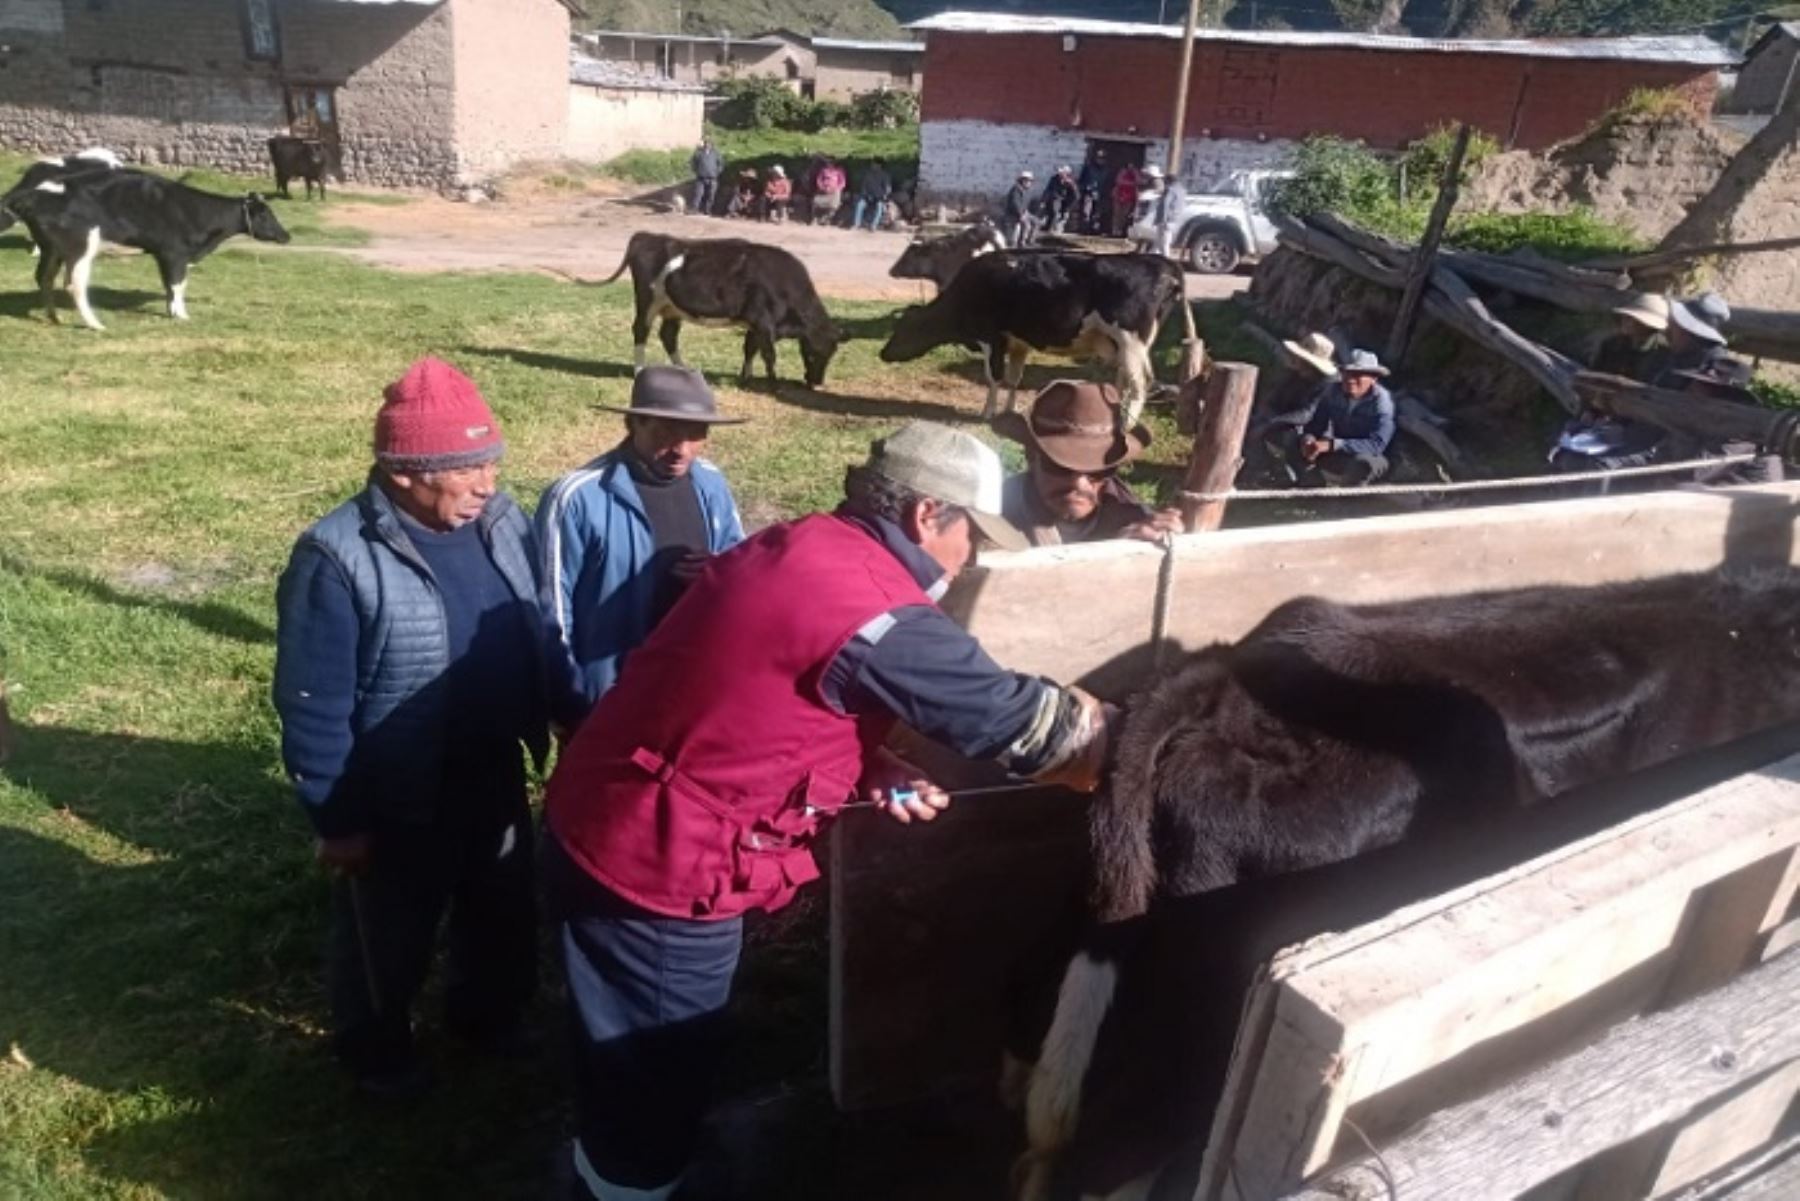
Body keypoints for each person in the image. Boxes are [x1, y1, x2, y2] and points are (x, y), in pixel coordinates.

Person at [544, 422, 1111, 1201]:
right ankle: (630, 1184)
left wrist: (868, 759)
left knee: (619, 1035)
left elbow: (754, 691)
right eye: (971, 535)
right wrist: (1124, 728)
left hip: (615, 808)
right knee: (653, 1062)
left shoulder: (807, 544)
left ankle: (611, 1158)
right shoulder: (879, 613)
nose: (973, 555)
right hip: (664, 863)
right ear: (925, 517)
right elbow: (1033, 731)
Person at [273, 358, 552, 1096]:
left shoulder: (501, 520)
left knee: (500, 909)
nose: (487, 482)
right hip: (399, 791)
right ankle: (378, 1052)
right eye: (467, 468)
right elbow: (312, 699)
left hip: (490, 768)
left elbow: (533, 625)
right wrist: (338, 819)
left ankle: (487, 1018)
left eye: (491, 461)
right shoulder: (335, 557)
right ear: (402, 473)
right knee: (386, 935)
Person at [537, 366, 746, 723]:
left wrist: (720, 570)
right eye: (666, 431)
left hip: (692, 692)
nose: (682, 449)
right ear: (634, 424)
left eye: (696, 433)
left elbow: (743, 573)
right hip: (610, 703)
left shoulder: (711, 484)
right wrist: (570, 705)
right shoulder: (576, 498)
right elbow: (551, 612)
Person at [996, 380, 1182, 546]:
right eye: (1060, 466)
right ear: (1031, 457)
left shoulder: (1135, 521)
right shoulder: (995, 510)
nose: (1078, 483)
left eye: (1098, 469)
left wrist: (1133, 553)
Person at [1279, 348, 1397, 486]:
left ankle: (1344, 503)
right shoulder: (1333, 392)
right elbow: (1316, 425)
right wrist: (1309, 439)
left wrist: (1333, 445)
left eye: (1357, 375)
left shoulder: (1383, 403)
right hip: (1341, 451)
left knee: (1363, 463)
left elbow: (1377, 445)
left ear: (1373, 379)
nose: (1350, 379)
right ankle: (1310, 489)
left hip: (1375, 458)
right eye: (1347, 373)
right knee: (1295, 440)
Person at [1590, 293, 1670, 379]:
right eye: (1626, 316)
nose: (1624, 320)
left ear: (1646, 325)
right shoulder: (1611, 345)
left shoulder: (1663, 354)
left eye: (1631, 318)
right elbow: (1593, 376)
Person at [853, 159, 892, 231]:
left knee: (879, 207)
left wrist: (883, 196)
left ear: (879, 165)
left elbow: (887, 189)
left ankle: (874, 225)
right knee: (860, 205)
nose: (872, 166)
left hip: (879, 197)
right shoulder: (868, 175)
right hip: (868, 196)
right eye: (872, 164)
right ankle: (856, 224)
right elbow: (863, 187)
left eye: (874, 164)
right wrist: (866, 195)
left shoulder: (884, 175)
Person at [1078, 149, 1110, 234]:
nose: (1100, 160)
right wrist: (1086, 188)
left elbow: (1108, 183)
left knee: (1097, 214)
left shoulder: (1106, 171)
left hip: (1101, 194)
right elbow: (1081, 180)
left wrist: (1105, 193)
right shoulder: (1088, 168)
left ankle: (1094, 230)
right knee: (1086, 212)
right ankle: (1084, 230)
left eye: (1102, 158)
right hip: (1088, 193)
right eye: (1099, 158)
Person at [1003, 170, 1037, 247]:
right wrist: (1021, 214)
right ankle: (1021, 242)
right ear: (1022, 180)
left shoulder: (1028, 190)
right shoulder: (1016, 190)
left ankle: (1031, 241)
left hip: (1024, 212)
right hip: (1013, 214)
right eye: (1027, 181)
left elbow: (1027, 203)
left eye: (1030, 181)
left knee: (1036, 222)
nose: (1029, 183)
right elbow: (1015, 204)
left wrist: (1027, 212)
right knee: (1026, 224)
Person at [1041, 165, 1079, 234]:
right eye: (1061, 173)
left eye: (1064, 173)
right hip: (1056, 199)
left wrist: (1072, 185)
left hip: (1067, 201)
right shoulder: (1054, 179)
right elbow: (1048, 190)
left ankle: (1058, 228)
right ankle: (1050, 228)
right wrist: (1043, 200)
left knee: (1064, 215)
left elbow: (1076, 195)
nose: (1061, 175)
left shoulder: (1071, 181)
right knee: (1054, 211)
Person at [689, 139, 722, 217]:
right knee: (698, 194)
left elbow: (720, 164)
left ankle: (708, 210)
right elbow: (693, 163)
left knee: (711, 195)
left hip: (712, 178)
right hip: (701, 177)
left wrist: (717, 172)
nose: (707, 145)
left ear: (712, 144)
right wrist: (696, 171)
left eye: (709, 143)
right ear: (704, 144)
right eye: (706, 143)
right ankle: (694, 209)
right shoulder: (699, 153)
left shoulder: (716, 153)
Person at [811, 156, 846, 226]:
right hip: (823, 190)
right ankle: (814, 219)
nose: (829, 164)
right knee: (815, 202)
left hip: (834, 191)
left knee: (833, 206)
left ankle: (826, 219)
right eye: (828, 163)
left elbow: (842, 183)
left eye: (831, 163)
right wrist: (822, 187)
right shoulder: (823, 170)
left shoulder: (839, 171)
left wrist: (835, 188)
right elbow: (819, 180)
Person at [1111, 162, 1142, 237]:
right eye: (1129, 165)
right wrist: (1131, 183)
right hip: (1119, 195)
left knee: (1125, 215)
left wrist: (1135, 173)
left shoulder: (1135, 173)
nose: (1130, 167)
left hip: (1129, 197)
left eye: (1132, 165)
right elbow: (1119, 181)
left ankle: (1120, 230)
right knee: (1117, 214)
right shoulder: (1122, 172)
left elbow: (1138, 182)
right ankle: (1115, 230)